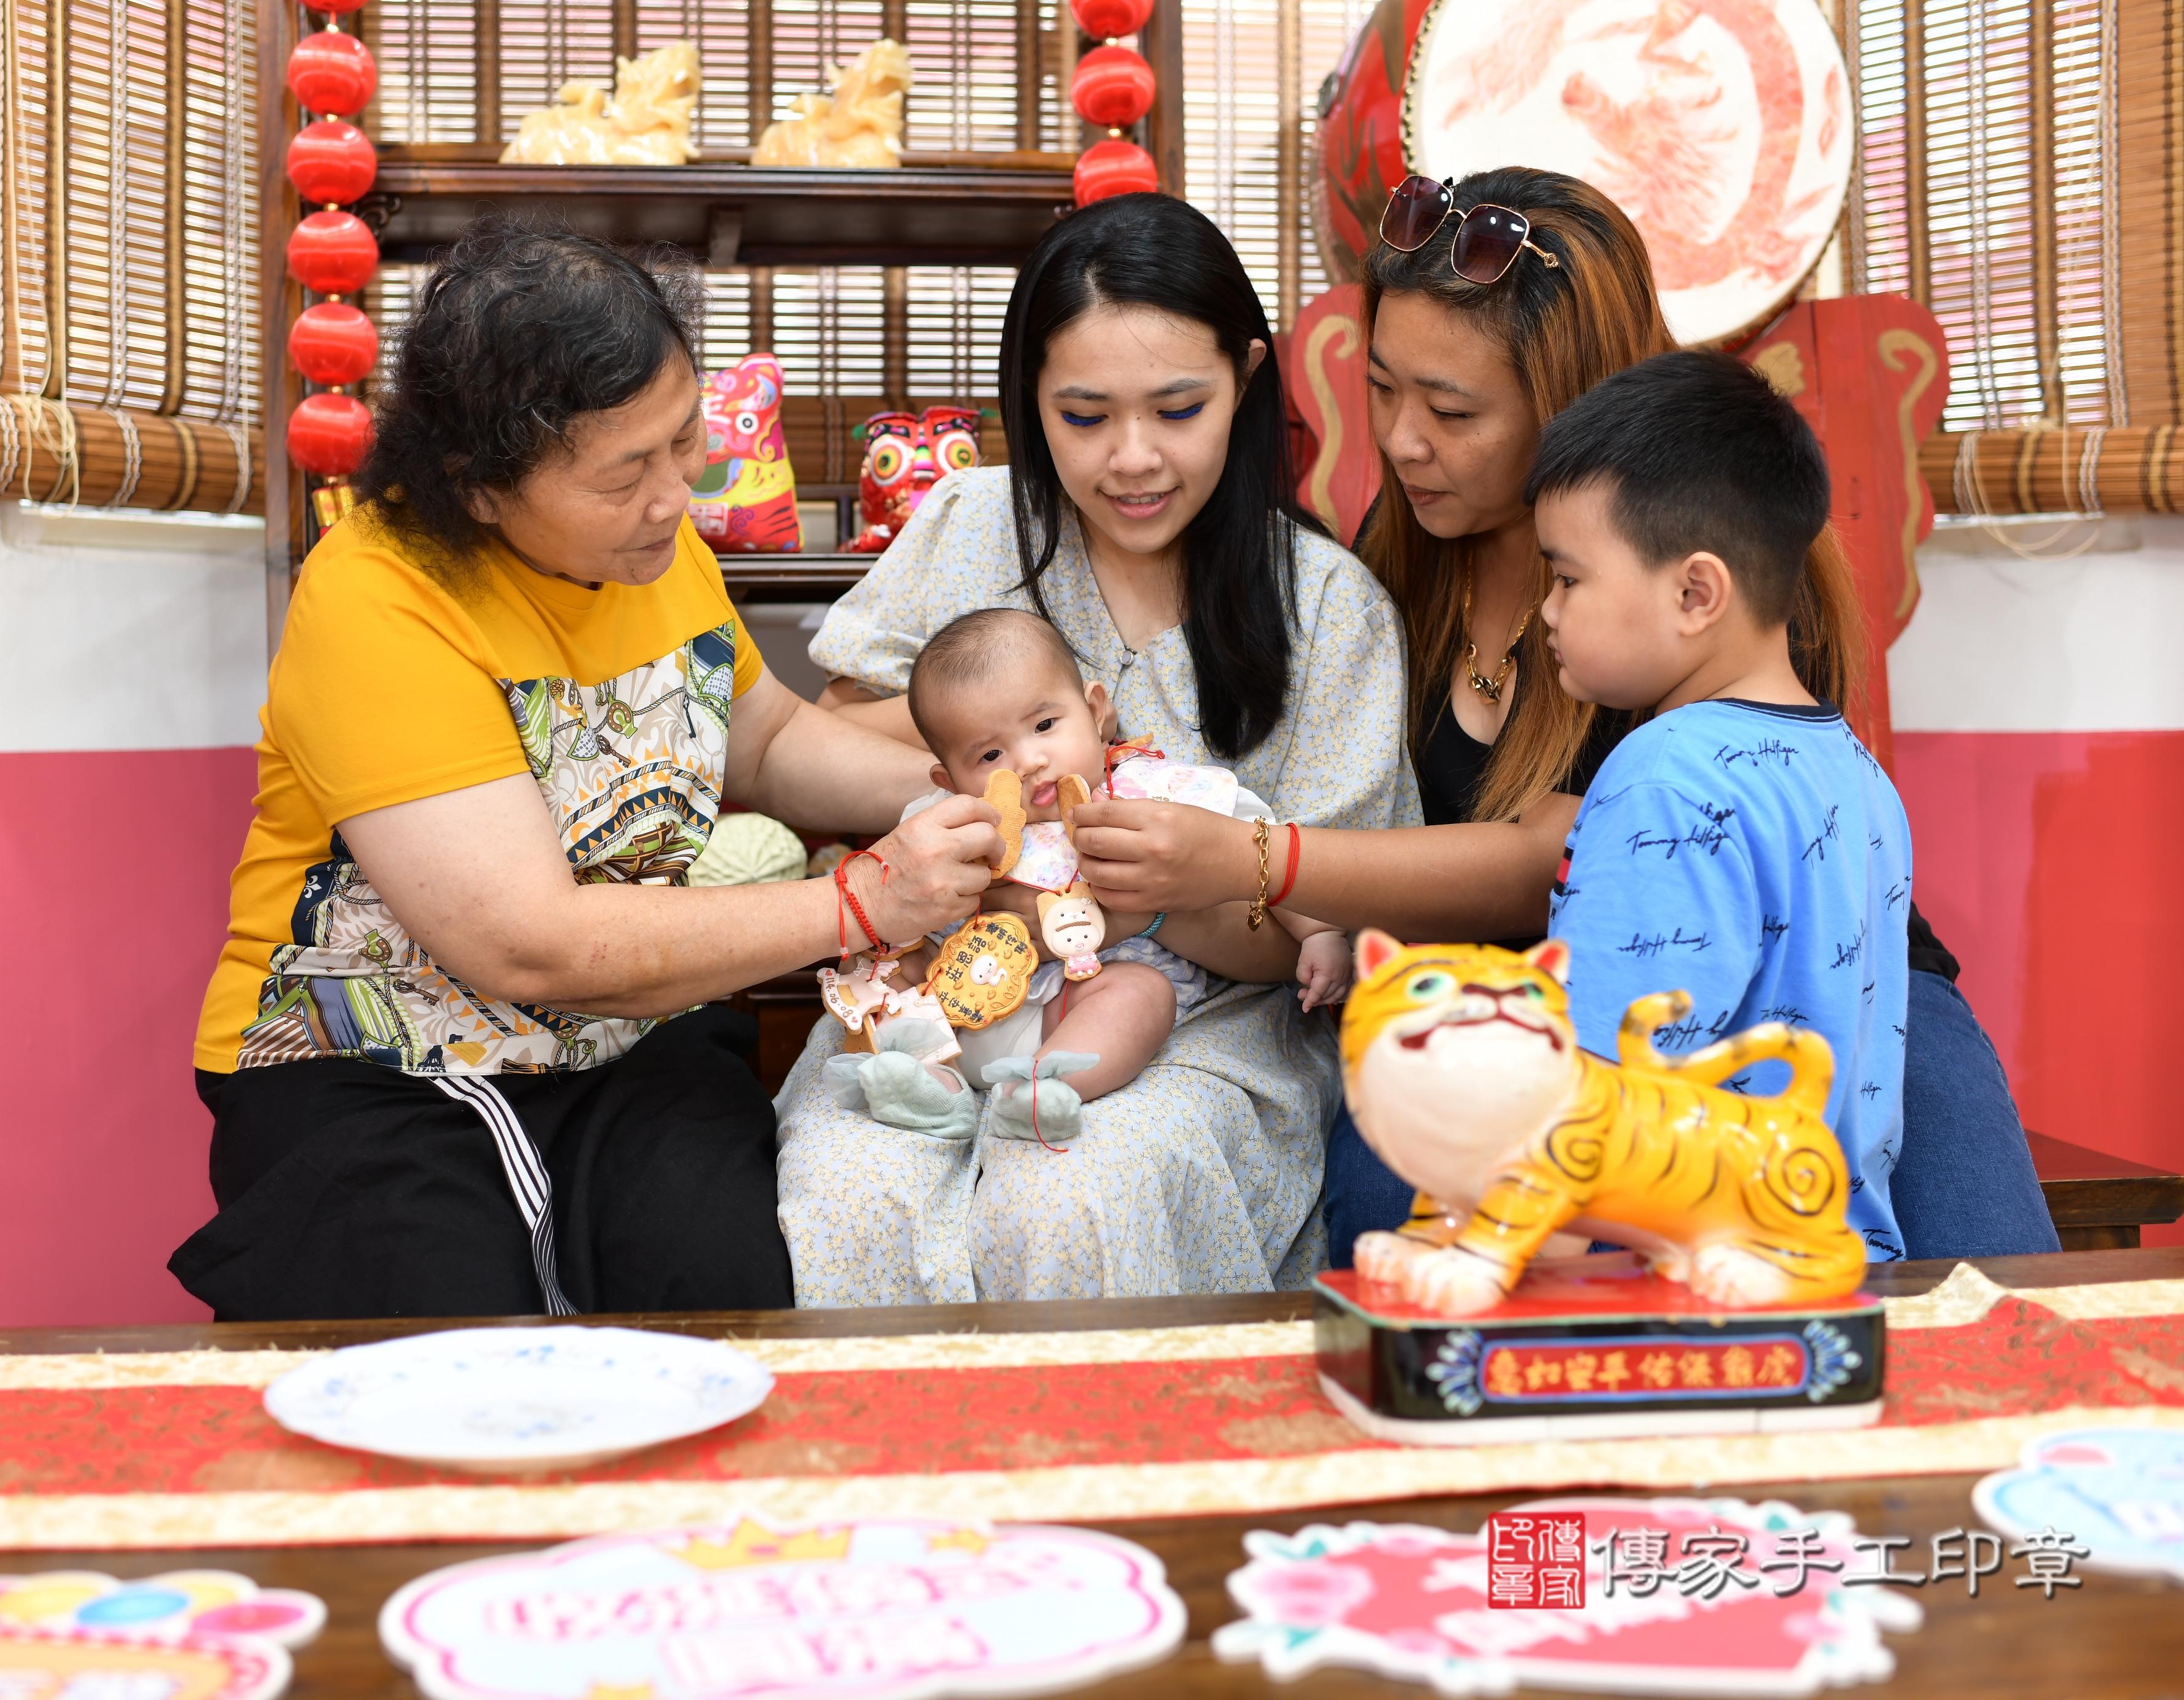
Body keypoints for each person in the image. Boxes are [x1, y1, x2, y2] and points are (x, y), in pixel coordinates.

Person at [1068, 166, 2057, 1264]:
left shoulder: (1691, 579)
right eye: (1384, 389)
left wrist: (1257, 858)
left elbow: (1555, 853)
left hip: (1830, 996)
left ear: (1574, 404)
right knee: (1419, 1233)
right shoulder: (1382, 579)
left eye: (1450, 411)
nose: (1401, 441)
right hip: (1515, 1026)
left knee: (1990, 1308)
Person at [169, 222, 1003, 1321]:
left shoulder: (655, 548)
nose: (676, 493)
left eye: (682, 438)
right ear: (476, 488)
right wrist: (862, 902)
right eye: (624, 473)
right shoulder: (376, 596)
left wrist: (972, 793)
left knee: (716, 1291)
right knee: (444, 1334)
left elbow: (762, 741)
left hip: (630, 1038)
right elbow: (528, 941)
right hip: (376, 1060)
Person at [778, 192, 1421, 1305]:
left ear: (1248, 380)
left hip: (1199, 1018)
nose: (1133, 459)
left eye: (1178, 409)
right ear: (1029, 399)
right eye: (1082, 417)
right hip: (951, 984)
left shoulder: (1322, 605)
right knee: (848, 1186)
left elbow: (1337, 931)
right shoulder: (974, 524)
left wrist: (1163, 901)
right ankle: (881, 1479)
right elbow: (832, 738)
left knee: (1069, 1193)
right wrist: (989, 780)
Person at [1533, 350, 1914, 1256]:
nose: (1546, 612)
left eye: (1567, 578)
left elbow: (1588, 1124)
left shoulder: (1662, 778)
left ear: (1695, 592)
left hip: (1680, 1305)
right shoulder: (1858, 775)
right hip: (1831, 1274)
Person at [842, 608, 1354, 1148]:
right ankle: (928, 1082)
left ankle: (1041, 1091)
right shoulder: (951, 820)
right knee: (885, 966)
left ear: (1096, 711)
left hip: (1078, 1005)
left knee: (1139, 993)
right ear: (949, 779)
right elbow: (894, 891)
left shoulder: (1151, 792)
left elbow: (1262, 848)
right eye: (990, 754)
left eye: (1044, 726)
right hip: (959, 1004)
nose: (1028, 761)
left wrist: (1317, 933)